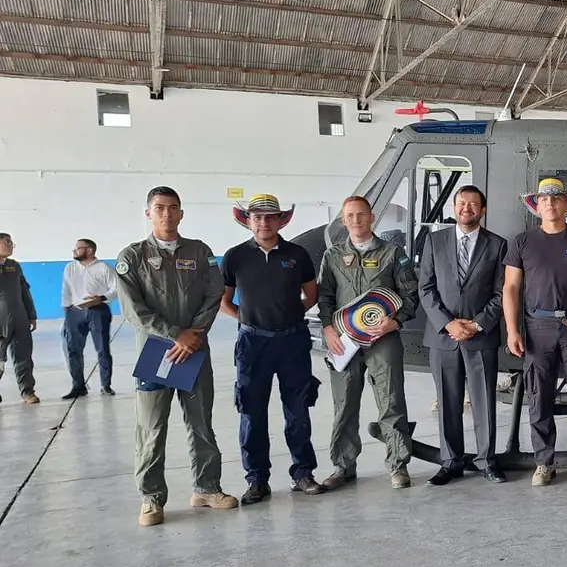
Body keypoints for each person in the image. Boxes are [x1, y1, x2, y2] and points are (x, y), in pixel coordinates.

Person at [115, 186, 238, 526]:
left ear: (182, 213)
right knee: (152, 428)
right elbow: (132, 308)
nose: (167, 214)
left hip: (195, 351)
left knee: (201, 423)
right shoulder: (133, 256)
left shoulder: (201, 252)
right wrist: (175, 335)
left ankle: (207, 488)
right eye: (159, 208)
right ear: (148, 213)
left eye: (173, 208)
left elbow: (214, 294)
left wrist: (193, 335)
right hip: (156, 353)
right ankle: (151, 499)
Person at [219, 194, 325, 504]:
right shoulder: (235, 257)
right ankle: (257, 480)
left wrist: (290, 313)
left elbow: (311, 295)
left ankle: (302, 473)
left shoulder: (297, 254)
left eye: (270, 217)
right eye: (258, 217)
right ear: (247, 220)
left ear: (281, 220)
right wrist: (249, 320)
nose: (264, 222)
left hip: (292, 341)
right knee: (251, 411)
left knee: (298, 408)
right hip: (253, 345)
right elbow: (224, 302)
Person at [503, 178, 567, 487]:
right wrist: (512, 330)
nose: (550, 203)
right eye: (544, 199)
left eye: (556, 198)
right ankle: (544, 462)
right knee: (539, 397)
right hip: (538, 327)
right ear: (536, 205)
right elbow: (510, 287)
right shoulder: (521, 242)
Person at [318, 196, 420, 490]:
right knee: (344, 403)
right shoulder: (333, 256)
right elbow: (325, 295)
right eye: (350, 216)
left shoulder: (392, 253)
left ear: (371, 217)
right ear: (343, 221)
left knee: (391, 401)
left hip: (383, 339)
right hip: (344, 341)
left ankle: (398, 465)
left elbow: (410, 294)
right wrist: (328, 329)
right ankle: (343, 465)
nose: (356, 221)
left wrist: (395, 321)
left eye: (361, 215)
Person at [419, 185, 509, 485]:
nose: (466, 208)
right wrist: (448, 324)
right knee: (448, 401)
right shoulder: (434, 241)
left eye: (473, 204)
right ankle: (450, 461)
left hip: (480, 336)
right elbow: (426, 289)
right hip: (443, 337)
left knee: (484, 401)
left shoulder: (497, 245)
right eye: (461, 203)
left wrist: (476, 324)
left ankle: (486, 460)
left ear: (482, 210)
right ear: (454, 207)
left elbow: (502, 293)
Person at [60, 238, 118, 399]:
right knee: (73, 350)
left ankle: (106, 386)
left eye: (78, 248)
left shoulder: (104, 267)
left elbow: (116, 288)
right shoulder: (70, 268)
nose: (74, 251)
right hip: (75, 311)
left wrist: (101, 298)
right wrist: (67, 313)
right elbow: (66, 290)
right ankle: (78, 386)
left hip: (98, 310)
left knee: (102, 349)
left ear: (89, 250)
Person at [0, 233, 39, 404]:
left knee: (24, 356)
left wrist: (31, 315)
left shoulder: (14, 266)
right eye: (6, 242)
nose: (10, 245)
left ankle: (27, 391)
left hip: (19, 317)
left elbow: (24, 291)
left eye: (11, 242)